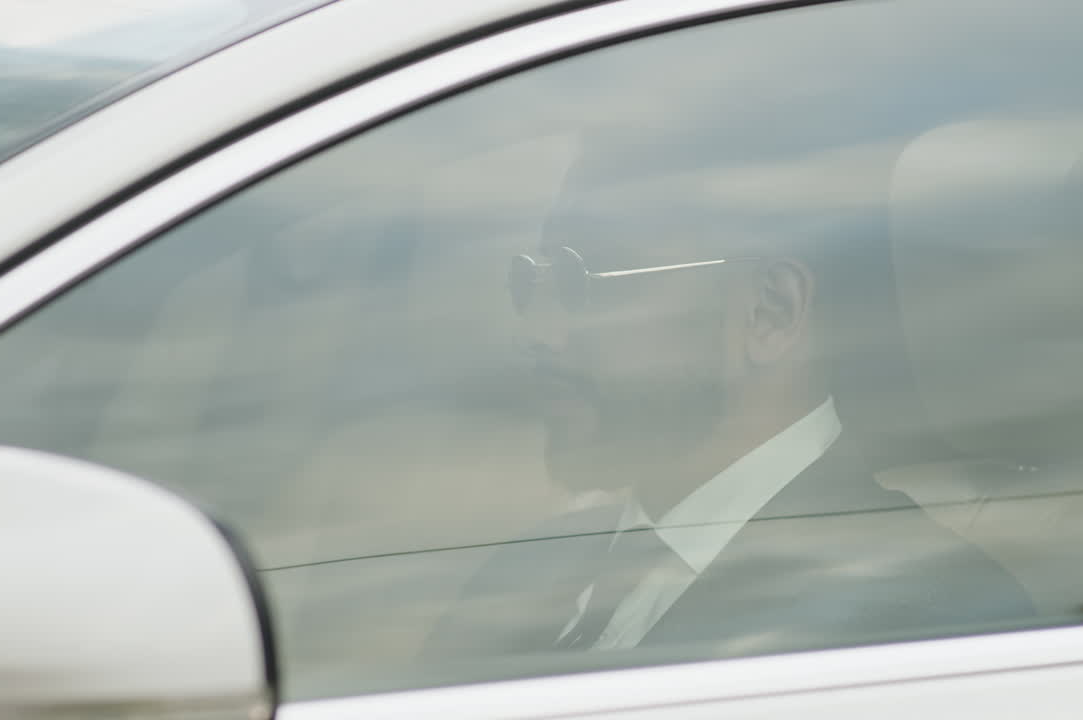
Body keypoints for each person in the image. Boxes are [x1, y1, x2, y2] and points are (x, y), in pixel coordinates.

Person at [420, 127, 1033, 665]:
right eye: (530, 280)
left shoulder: (933, 626)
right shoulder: (518, 576)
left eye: (584, 281)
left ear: (770, 312)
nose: (536, 333)